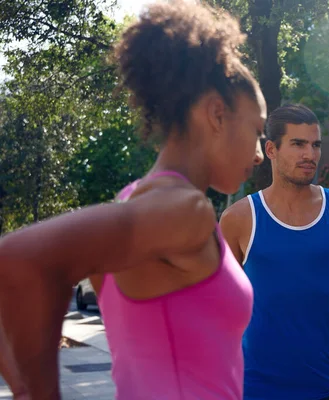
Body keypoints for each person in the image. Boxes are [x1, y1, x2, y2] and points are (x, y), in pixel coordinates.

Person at [0, 1, 266, 399]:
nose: (260, 152)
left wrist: (26, 387)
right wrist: (34, 392)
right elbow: (17, 259)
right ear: (216, 114)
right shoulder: (185, 212)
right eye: (258, 130)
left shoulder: (134, 199)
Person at [220, 104, 329, 400]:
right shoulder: (239, 218)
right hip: (253, 390)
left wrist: (321, 320)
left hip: (324, 388)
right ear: (272, 150)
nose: (310, 154)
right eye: (298, 144)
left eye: (315, 145)